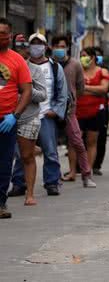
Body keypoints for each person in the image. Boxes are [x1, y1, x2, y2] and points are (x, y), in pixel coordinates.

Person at [8, 34, 68, 197]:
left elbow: (63, 93)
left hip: (46, 115)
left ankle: (52, 182)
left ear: (45, 46)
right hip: (25, 116)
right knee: (22, 152)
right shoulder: (22, 65)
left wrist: (55, 111)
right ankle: (19, 183)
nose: (36, 47)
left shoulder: (55, 67)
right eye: (33, 43)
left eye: (39, 43)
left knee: (50, 151)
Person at [6, 34, 46, 207]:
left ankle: (29, 194)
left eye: (24, 47)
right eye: (18, 47)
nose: (21, 51)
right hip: (6, 117)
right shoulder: (6, 66)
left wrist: (25, 90)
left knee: (27, 156)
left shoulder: (34, 69)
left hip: (28, 117)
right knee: (6, 157)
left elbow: (42, 94)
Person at [52, 35, 96, 188]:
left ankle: (86, 175)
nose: (59, 49)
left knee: (78, 142)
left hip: (69, 111)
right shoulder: (49, 64)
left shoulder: (75, 65)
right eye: (57, 46)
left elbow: (80, 88)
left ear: (67, 48)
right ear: (51, 47)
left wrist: (71, 99)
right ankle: (53, 178)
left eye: (62, 46)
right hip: (50, 111)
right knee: (50, 146)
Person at [0, 19, 32, 219]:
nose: (1, 36)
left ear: (10, 36)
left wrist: (14, 115)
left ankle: (0, 203)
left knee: (4, 163)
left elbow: (27, 91)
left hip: (6, 121)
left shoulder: (17, 60)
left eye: (4, 33)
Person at [75, 47, 109, 172]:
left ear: (92, 58)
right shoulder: (78, 71)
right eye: (81, 55)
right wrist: (93, 89)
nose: (82, 58)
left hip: (96, 111)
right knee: (76, 140)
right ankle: (74, 169)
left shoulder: (103, 72)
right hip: (78, 111)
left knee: (92, 141)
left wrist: (84, 88)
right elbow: (73, 89)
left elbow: (103, 89)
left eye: (84, 55)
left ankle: (88, 169)